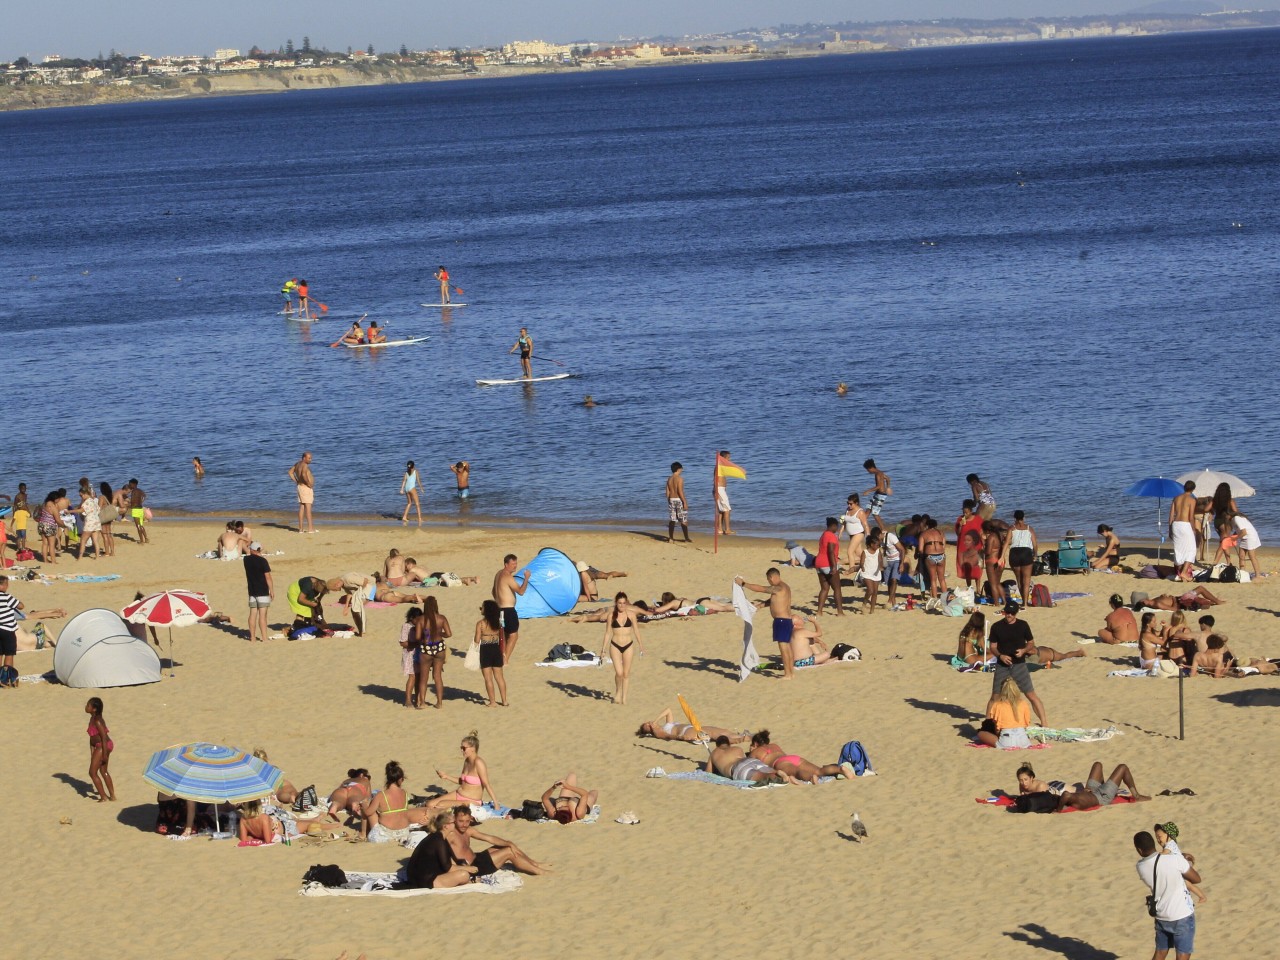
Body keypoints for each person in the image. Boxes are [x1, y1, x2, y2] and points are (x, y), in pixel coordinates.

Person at [1134, 829, 1201, 959]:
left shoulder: (1140, 866)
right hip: (1181, 915)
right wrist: (1181, 859)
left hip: (1161, 915)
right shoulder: (1174, 859)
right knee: (1182, 954)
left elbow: (1158, 862)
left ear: (1140, 850)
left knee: (1160, 952)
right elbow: (1196, 879)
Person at [986, 602, 1048, 727]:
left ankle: (1044, 723)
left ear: (1016, 613)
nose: (1009, 615)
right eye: (1007, 612)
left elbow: (1031, 642)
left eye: (1012, 613)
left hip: (1019, 665)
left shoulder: (1023, 625)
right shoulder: (996, 627)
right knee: (995, 696)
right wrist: (1000, 656)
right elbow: (993, 646)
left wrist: (1024, 650)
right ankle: (987, 724)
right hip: (1002, 666)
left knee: (1031, 695)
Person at [444, 806, 549, 877]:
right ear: (454, 819)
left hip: (477, 857)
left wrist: (509, 842)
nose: (464, 824)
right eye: (461, 821)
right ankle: (539, 872)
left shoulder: (469, 830)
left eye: (467, 821)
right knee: (508, 851)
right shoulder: (449, 833)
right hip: (474, 867)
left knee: (508, 845)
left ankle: (534, 863)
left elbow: (489, 838)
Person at [735, 568, 796, 679]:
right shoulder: (785, 587)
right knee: (787, 648)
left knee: (784, 648)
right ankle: (791, 673)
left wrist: (743, 584)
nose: (769, 582)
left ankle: (788, 674)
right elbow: (774, 600)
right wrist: (761, 606)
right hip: (786, 621)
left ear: (771, 577)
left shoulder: (778, 587)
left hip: (781, 621)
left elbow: (761, 589)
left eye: (768, 579)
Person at [401, 811, 476, 889]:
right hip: (425, 881)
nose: (456, 824)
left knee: (464, 870)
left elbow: (451, 859)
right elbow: (448, 867)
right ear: (445, 826)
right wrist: (468, 869)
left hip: (420, 877)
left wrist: (463, 865)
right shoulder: (438, 841)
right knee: (464, 875)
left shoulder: (439, 837)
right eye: (453, 822)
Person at [362, 761, 431, 842]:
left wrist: (363, 804)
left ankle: (363, 833)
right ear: (400, 779)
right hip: (404, 831)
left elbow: (368, 813)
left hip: (387, 832)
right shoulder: (404, 793)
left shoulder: (381, 795)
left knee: (371, 810)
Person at [429, 730, 497, 811]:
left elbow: (487, 785)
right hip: (458, 794)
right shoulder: (467, 761)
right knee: (430, 804)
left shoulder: (479, 763)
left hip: (472, 800)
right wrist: (446, 776)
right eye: (461, 747)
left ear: (473, 748)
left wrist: (496, 804)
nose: (461, 750)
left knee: (440, 805)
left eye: (464, 748)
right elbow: (462, 781)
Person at [748, 730, 849, 783]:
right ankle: (840, 769)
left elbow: (747, 764)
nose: (750, 749)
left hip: (780, 763)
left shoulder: (756, 751)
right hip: (793, 758)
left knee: (797, 772)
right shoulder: (774, 745)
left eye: (751, 746)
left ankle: (810, 778)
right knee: (819, 770)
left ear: (756, 744)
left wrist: (750, 753)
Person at [600, 591, 643, 705]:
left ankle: (624, 698)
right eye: (620, 603)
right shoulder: (611, 616)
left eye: (624, 603)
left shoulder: (631, 615)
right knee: (619, 673)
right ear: (616, 603)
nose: (622, 605)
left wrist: (641, 645)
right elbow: (608, 633)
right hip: (615, 645)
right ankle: (618, 692)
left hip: (628, 645)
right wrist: (603, 650)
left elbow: (636, 630)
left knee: (626, 673)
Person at [1057, 761, 1150, 810]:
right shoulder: (1073, 800)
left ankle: (1104, 785)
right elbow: (1065, 795)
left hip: (1090, 789)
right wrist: (1058, 810)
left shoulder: (1074, 799)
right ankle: (1136, 796)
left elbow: (1066, 796)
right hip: (1102, 797)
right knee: (1123, 767)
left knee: (1097, 765)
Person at [1155, 823, 1207, 905]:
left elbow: (1164, 853)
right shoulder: (1170, 844)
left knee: (1187, 884)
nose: (1158, 839)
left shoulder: (1170, 844)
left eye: (1160, 837)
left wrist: (1156, 856)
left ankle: (1201, 896)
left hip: (1181, 868)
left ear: (1168, 835)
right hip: (1179, 868)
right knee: (1186, 885)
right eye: (1156, 837)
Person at [492, 554, 530, 664]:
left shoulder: (498, 574)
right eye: (513, 564)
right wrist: (526, 578)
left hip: (499, 609)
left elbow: (493, 591)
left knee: (503, 634)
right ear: (506, 564)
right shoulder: (507, 576)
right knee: (513, 635)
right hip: (508, 611)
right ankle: (505, 660)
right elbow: (521, 591)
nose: (515, 566)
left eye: (516, 563)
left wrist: (499, 600)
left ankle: (501, 657)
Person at [416, 596, 452, 709]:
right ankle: (439, 702)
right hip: (439, 648)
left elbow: (417, 637)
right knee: (437, 676)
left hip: (426, 649)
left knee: (423, 678)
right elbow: (449, 634)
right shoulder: (441, 618)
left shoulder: (420, 620)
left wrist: (424, 637)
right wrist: (441, 634)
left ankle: (422, 702)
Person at [705, 735, 786, 784]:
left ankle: (774, 775)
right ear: (728, 744)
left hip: (737, 768)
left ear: (717, 745)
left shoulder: (714, 753)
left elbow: (708, 773)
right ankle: (776, 771)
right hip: (749, 761)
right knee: (765, 769)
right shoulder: (737, 748)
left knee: (761, 776)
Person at [978, 677, 1032, 748]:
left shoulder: (998, 705)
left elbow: (997, 728)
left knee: (981, 734)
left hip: (1007, 739)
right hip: (1023, 739)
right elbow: (1026, 724)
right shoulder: (1023, 703)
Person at [635, 709, 749, 742]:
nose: (650, 724)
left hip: (692, 727)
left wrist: (655, 720)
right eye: (648, 726)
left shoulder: (666, 724)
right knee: (717, 736)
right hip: (686, 732)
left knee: (723, 731)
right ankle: (744, 739)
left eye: (648, 722)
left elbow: (669, 710)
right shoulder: (658, 733)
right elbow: (668, 737)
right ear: (649, 731)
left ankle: (743, 737)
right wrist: (681, 738)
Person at [475, 600, 508, 707]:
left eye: (482, 607)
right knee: (500, 677)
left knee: (488, 678)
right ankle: (504, 701)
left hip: (485, 649)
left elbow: (476, 640)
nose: (481, 609)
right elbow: (502, 636)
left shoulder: (480, 624)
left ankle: (492, 702)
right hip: (496, 648)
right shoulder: (499, 622)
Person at [84, 696, 115, 801]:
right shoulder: (92, 719)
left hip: (103, 746)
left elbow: (103, 736)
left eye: (88, 705)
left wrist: (104, 754)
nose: (86, 707)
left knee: (92, 772)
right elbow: (92, 738)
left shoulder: (97, 720)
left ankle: (103, 797)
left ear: (94, 709)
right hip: (101, 746)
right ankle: (112, 796)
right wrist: (92, 752)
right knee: (103, 771)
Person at [243, 542, 274, 643]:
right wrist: (272, 590)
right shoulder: (263, 561)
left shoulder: (246, 560)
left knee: (252, 614)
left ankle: (252, 637)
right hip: (262, 591)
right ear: (259, 550)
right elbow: (268, 577)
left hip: (252, 591)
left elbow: (250, 554)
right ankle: (264, 638)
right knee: (262, 616)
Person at [1005, 510, 1037, 605]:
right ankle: (1025, 603)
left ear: (1014, 518)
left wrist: (1002, 556)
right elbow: (1035, 544)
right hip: (1026, 553)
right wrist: (1035, 555)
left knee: (1019, 580)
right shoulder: (1029, 529)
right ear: (1024, 518)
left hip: (1014, 553)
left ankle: (1023, 600)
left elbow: (1006, 543)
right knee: (1026, 580)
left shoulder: (1012, 528)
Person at [814, 517, 844, 616]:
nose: (837, 529)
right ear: (834, 526)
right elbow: (830, 551)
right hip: (827, 563)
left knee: (824, 588)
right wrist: (834, 566)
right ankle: (840, 612)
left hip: (819, 563)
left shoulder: (823, 535)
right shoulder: (831, 536)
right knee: (837, 588)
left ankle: (819, 611)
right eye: (837, 527)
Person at [1169, 480, 1198, 581]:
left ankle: (1180, 572)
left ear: (1184, 488)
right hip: (1185, 525)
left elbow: (1171, 515)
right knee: (1192, 549)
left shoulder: (1176, 498)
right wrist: (1194, 529)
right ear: (1193, 489)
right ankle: (1184, 572)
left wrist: (1169, 528)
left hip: (1175, 524)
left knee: (1179, 549)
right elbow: (1191, 517)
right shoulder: (1192, 500)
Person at [955, 500, 985, 591]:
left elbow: (981, 533)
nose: (965, 514)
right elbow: (958, 533)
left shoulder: (978, 519)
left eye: (966, 512)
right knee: (966, 566)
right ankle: (969, 587)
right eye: (963, 512)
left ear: (971, 511)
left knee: (977, 567)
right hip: (964, 547)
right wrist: (960, 526)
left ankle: (978, 589)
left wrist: (984, 545)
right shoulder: (960, 519)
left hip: (976, 546)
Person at [0, 575, 23, 686]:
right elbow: (21, 606)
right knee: (9, 654)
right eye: (6, 584)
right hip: (8, 629)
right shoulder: (6, 597)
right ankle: (6, 678)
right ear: (2, 585)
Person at [72, 481, 103, 560]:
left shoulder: (87, 502)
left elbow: (81, 510)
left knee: (83, 541)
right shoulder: (94, 500)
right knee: (95, 541)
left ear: (85, 494)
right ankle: (97, 556)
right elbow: (98, 510)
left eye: (81, 495)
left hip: (90, 522)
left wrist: (70, 511)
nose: (81, 497)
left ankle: (80, 557)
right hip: (97, 521)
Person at [400, 608, 423, 707]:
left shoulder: (421, 625)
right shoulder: (406, 626)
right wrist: (415, 643)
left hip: (419, 653)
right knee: (412, 677)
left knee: (419, 677)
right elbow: (403, 642)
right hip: (410, 654)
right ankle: (408, 700)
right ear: (411, 618)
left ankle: (418, 699)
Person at [920, 518, 948, 600]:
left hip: (930, 557)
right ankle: (945, 597)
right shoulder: (941, 533)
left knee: (933, 579)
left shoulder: (924, 534)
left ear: (927, 525)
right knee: (942, 578)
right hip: (941, 556)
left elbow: (921, 549)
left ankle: (935, 598)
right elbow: (944, 546)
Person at [715, 450, 740, 536]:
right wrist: (716, 491)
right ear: (723, 458)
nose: (729, 460)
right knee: (727, 509)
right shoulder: (719, 467)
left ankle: (720, 529)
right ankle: (727, 529)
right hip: (719, 489)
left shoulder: (722, 467)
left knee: (721, 510)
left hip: (720, 489)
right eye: (728, 458)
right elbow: (715, 480)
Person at [1228, 511, 1261, 577]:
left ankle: (1258, 575)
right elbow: (1238, 530)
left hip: (1250, 536)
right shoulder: (1233, 520)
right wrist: (1232, 536)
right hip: (1244, 537)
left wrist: (1235, 538)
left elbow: (1244, 532)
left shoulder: (1236, 518)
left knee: (1251, 556)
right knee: (1241, 556)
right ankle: (1242, 573)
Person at [983, 519, 1008, 608]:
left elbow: (988, 552)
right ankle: (1004, 601)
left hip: (991, 561)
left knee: (992, 584)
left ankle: (996, 603)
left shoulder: (991, 537)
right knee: (997, 583)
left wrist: (982, 549)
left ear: (986, 530)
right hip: (1001, 561)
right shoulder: (1000, 536)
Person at [861, 458, 892, 530]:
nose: (868, 472)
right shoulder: (880, 472)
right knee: (868, 509)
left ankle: (883, 529)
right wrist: (888, 487)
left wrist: (868, 491)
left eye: (867, 470)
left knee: (875, 513)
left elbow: (878, 486)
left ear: (871, 468)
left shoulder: (877, 474)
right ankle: (862, 526)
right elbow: (888, 479)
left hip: (880, 495)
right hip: (877, 494)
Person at [289, 452, 315, 533]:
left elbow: (290, 472)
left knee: (302, 507)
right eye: (309, 458)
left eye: (311, 458)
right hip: (305, 488)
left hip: (300, 487)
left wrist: (296, 481)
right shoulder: (304, 465)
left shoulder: (297, 464)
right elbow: (303, 474)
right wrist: (309, 484)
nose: (310, 460)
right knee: (308, 509)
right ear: (304, 458)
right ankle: (310, 529)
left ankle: (301, 529)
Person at [841, 493, 868, 569]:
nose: (849, 505)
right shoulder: (847, 510)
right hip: (851, 534)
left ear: (856, 503)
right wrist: (841, 532)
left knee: (850, 551)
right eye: (848, 503)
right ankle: (869, 562)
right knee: (858, 552)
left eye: (851, 504)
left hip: (859, 533)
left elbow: (865, 524)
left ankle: (851, 568)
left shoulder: (860, 511)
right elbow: (844, 522)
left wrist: (868, 534)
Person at [665, 461, 690, 543]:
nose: (682, 470)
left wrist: (669, 500)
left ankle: (671, 538)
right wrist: (684, 502)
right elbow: (680, 491)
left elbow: (667, 492)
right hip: (678, 500)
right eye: (681, 468)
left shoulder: (669, 479)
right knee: (683, 520)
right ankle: (686, 538)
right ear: (678, 469)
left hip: (671, 499)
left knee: (672, 519)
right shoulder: (680, 479)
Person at [861, 527, 884, 613]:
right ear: (871, 544)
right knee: (870, 590)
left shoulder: (878, 551)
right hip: (867, 573)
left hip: (876, 573)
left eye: (879, 545)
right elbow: (862, 561)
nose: (878, 546)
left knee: (875, 592)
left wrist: (881, 566)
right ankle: (864, 603)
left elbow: (880, 560)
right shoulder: (865, 552)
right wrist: (862, 566)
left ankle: (872, 610)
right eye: (877, 545)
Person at [394, 460, 421, 526]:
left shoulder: (406, 472)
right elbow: (418, 481)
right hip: (412, 488)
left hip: (406, 488)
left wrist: (401, 489)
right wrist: (421, 488)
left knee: (409, 503)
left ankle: (404, 516)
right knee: (417, 504)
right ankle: (419, 518)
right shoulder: (415, 471)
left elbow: (404, 481)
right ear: (413, 466)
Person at [127, 479, 149, 544]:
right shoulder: (140, 490)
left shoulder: (133, 491)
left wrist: (130, 505)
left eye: (130, 484)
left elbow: (133, 500)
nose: (129, 485)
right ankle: (146, 538)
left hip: (135, 510)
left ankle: (141, 540)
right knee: (141, 525)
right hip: (140, 509)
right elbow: (144, 496)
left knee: (138, 526)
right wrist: (140, 502)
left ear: (134, 484)